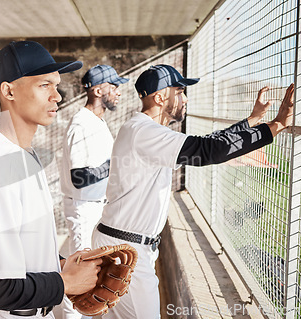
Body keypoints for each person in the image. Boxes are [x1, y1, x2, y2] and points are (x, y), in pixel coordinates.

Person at [91, 64, 295, 318]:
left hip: (122, 242)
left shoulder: (142, 130)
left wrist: (252, 120)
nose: (185, 98)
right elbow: (209, 150)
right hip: (126, 248)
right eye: (180, 91)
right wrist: (275, 126)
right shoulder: (145, 132)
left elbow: (209, 143)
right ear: (161, 97)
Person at [0, 40, 102, 319]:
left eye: (56, 85)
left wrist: (60, 265)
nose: (57, 96)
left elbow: (20, 246)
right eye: (44, 85)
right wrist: (66, 283)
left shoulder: (24, 154)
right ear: (9, 90)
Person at [57, 65, 128, 319]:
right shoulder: (81, 124)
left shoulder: (96, 121)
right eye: (114, 86)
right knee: (78, 278)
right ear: (98, 90)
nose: (118, 92)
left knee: (72, 261)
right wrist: (115, 163)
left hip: (95, 207)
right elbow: (80, 177)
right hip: (84, 207)